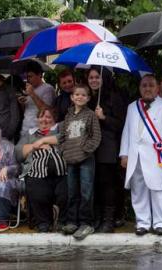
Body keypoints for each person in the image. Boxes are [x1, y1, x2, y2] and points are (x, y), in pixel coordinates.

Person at [120, 75, 162, 235]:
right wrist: (124, 154)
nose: (147, 88)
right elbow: (126, 131)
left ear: (158, 88)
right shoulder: (132, 107)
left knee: (159, 189)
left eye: (151, 85)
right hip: (136, 155)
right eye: (144, 85)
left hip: (157, 155)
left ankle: (160, 222)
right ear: (140, 88)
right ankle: (143, 222)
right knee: (138, 189)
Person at [86, 67, 127, 233]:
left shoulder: (114, 97)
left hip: (108, 147)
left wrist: (103, 117)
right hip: (91, 148)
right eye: (91, 77)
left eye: (97, 77)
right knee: (94, 183)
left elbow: (121, 124)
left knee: (108, 184)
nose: (94, 80)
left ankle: (109, 220)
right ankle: (97, 217)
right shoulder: (88, 99)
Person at [58, 84, 101, 240]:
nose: (80, 97)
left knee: (86, 191)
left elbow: (96, 137)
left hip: (86, 160)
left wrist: (85, 150)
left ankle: (86, 223)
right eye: (77, 94)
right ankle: (72, 221)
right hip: (70, 160)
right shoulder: (68, 116)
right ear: (72, 97)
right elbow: (61, 137)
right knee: (72, 191)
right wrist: (64, 150)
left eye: (83, 95)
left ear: (88, 98)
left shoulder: (90, 115)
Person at [15, 108, 67, 233]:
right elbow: (18, 152)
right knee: (39, 193)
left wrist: (45, 140)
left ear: (55, 120)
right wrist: (34, 146)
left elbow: (67, 138)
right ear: (37, 119)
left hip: (62, 171)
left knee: (65, 192)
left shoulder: (60, 129)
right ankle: (43, 222)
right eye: (42, 116)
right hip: (36, 171)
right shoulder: (30, 134)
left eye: (49, 117)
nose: (44, 120)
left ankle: (63, 221)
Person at [19, 61, 55, 136]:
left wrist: (32, 94)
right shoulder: (30, 89)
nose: (28, 79)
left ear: (39, 75)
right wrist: (22, 103)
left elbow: (46, 111)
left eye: (30, 76)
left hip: (39, 130)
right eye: (27, 77)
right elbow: (28, 110)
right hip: (25, 129)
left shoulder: (48, 89)